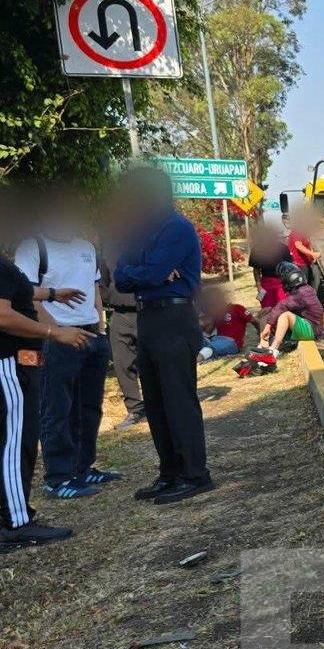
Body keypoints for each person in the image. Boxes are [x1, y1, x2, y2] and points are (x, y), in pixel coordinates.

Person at [111, 166, 213, 505]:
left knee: (178, 400)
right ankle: (169, 472)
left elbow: (150, 272)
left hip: (174, 317)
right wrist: (147, 273)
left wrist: (145, 273)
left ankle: (195, 474)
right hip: (148, 319)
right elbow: (120, 277)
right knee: (155, 402)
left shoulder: (177, 228)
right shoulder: (138, 232)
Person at [14, 194, 122, 500]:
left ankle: (84, 467)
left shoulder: (86, 247)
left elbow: (93, 289)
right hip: (57, 338)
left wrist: (100, 328)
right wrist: (55, 332)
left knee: (89, 407)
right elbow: (26, 296)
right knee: (57, 409)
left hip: (91, 336)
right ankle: (58, 476)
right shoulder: (33, 246)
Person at [0, 242, 92, 548]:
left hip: (20, 363)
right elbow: (3, 315)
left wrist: (53, 294)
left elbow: (18, 293)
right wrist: (55, 332)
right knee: (15, 444)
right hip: (9, 364)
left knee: (18, 440)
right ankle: (16, 522)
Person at [249, 260, 323, 366]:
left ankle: (273, 350)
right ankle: (262, 347)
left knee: (285, 316)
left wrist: (268, 325)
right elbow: (284, 306)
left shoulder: (300, 294)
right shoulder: (303, 289)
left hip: (312, 330)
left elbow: (283, 306)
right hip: (308, 326)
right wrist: (270, 310)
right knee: (273, 313)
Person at [103, 276, 145, 428]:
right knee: (122, 362)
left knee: (152, 361)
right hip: (120, 313)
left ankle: (158, 404)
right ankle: (135, 409)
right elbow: (101, 283)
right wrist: (114, 297)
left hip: (148, 309)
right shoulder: (108, 252)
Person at [197, 284, 249, 361]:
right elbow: (208, 330)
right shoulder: (215, 313)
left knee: (210, 348)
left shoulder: (237, 308)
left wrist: (262, 339)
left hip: (231, 342)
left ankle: (196, 359)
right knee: (195, 339)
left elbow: (254, 321)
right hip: (214, 340)